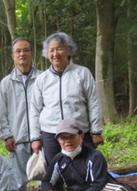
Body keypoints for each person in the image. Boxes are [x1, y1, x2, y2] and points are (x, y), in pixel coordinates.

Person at [30, 32, 104, 164]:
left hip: (79, 131)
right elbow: (34, 109)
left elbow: (94, 102)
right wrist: (35, 138)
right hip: (51, 133)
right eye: (51, 50)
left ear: (68, 50)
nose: (55, 53)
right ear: (47, 54)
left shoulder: (82, 73)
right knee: (55, 172)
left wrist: (96, 131)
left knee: (87, 166)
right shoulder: (42, 79)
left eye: (59, 48)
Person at [0, 37, 42, 191]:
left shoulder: (42, 78)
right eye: (18, 51)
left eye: (25, 50)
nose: (22, 54)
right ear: (13, 56)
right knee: (19, 182)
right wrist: (7, 135)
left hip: (40, 139)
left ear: (32, 54)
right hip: (17, 140)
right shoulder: (6, 83)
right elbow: (2, 112)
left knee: (44, 180)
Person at [37, 119, 109, 191]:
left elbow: (99, 187)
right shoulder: (58, 159)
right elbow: (46, 181)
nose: (67, 141)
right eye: (63, 138)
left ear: (81, 136)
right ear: (58, 140)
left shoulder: (95, 157)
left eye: (71, 136)